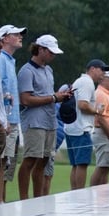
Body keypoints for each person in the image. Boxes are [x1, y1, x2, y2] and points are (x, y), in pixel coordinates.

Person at [16, 35, 72, 199]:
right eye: (50, 52)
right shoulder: (26, 71)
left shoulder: (49, 70)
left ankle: (38, 199)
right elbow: (25, 100)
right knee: (30, 160)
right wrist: (54, 98)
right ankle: (24, 200)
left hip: (50, 122)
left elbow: (49, 95)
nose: (53, 56)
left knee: (44, 161)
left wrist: (61, 96)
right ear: (40, 49)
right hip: (34, 123)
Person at [65, 58, 108, 189]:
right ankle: (79, 194)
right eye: (101, 70)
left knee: (76, 165)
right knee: (82, 164)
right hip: (81, 129)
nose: (103, 74)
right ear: (92, 69)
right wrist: (96, 111)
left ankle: (74, 193)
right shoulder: (87, 82)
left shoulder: (80, 81)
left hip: (72, 127)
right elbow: (82, 104)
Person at [0, 24, 26, 203]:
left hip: (12, 121)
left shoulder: (9, 60)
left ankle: (3, 204)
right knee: (2, 164)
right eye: (15, 34)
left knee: (7, 166)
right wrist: (5, 121)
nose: (20, 36)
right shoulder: (1, 59)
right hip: (5, 121)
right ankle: (0, 204)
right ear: (4, 39)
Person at [90, 68, 109, 186]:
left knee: (106, 167)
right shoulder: (101, 94)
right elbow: (100, 117)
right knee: (102, 166)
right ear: (102, 79)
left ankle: (102, 193)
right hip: (105, 133)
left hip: (106, 133)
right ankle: (95, 192)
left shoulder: (105, 93)